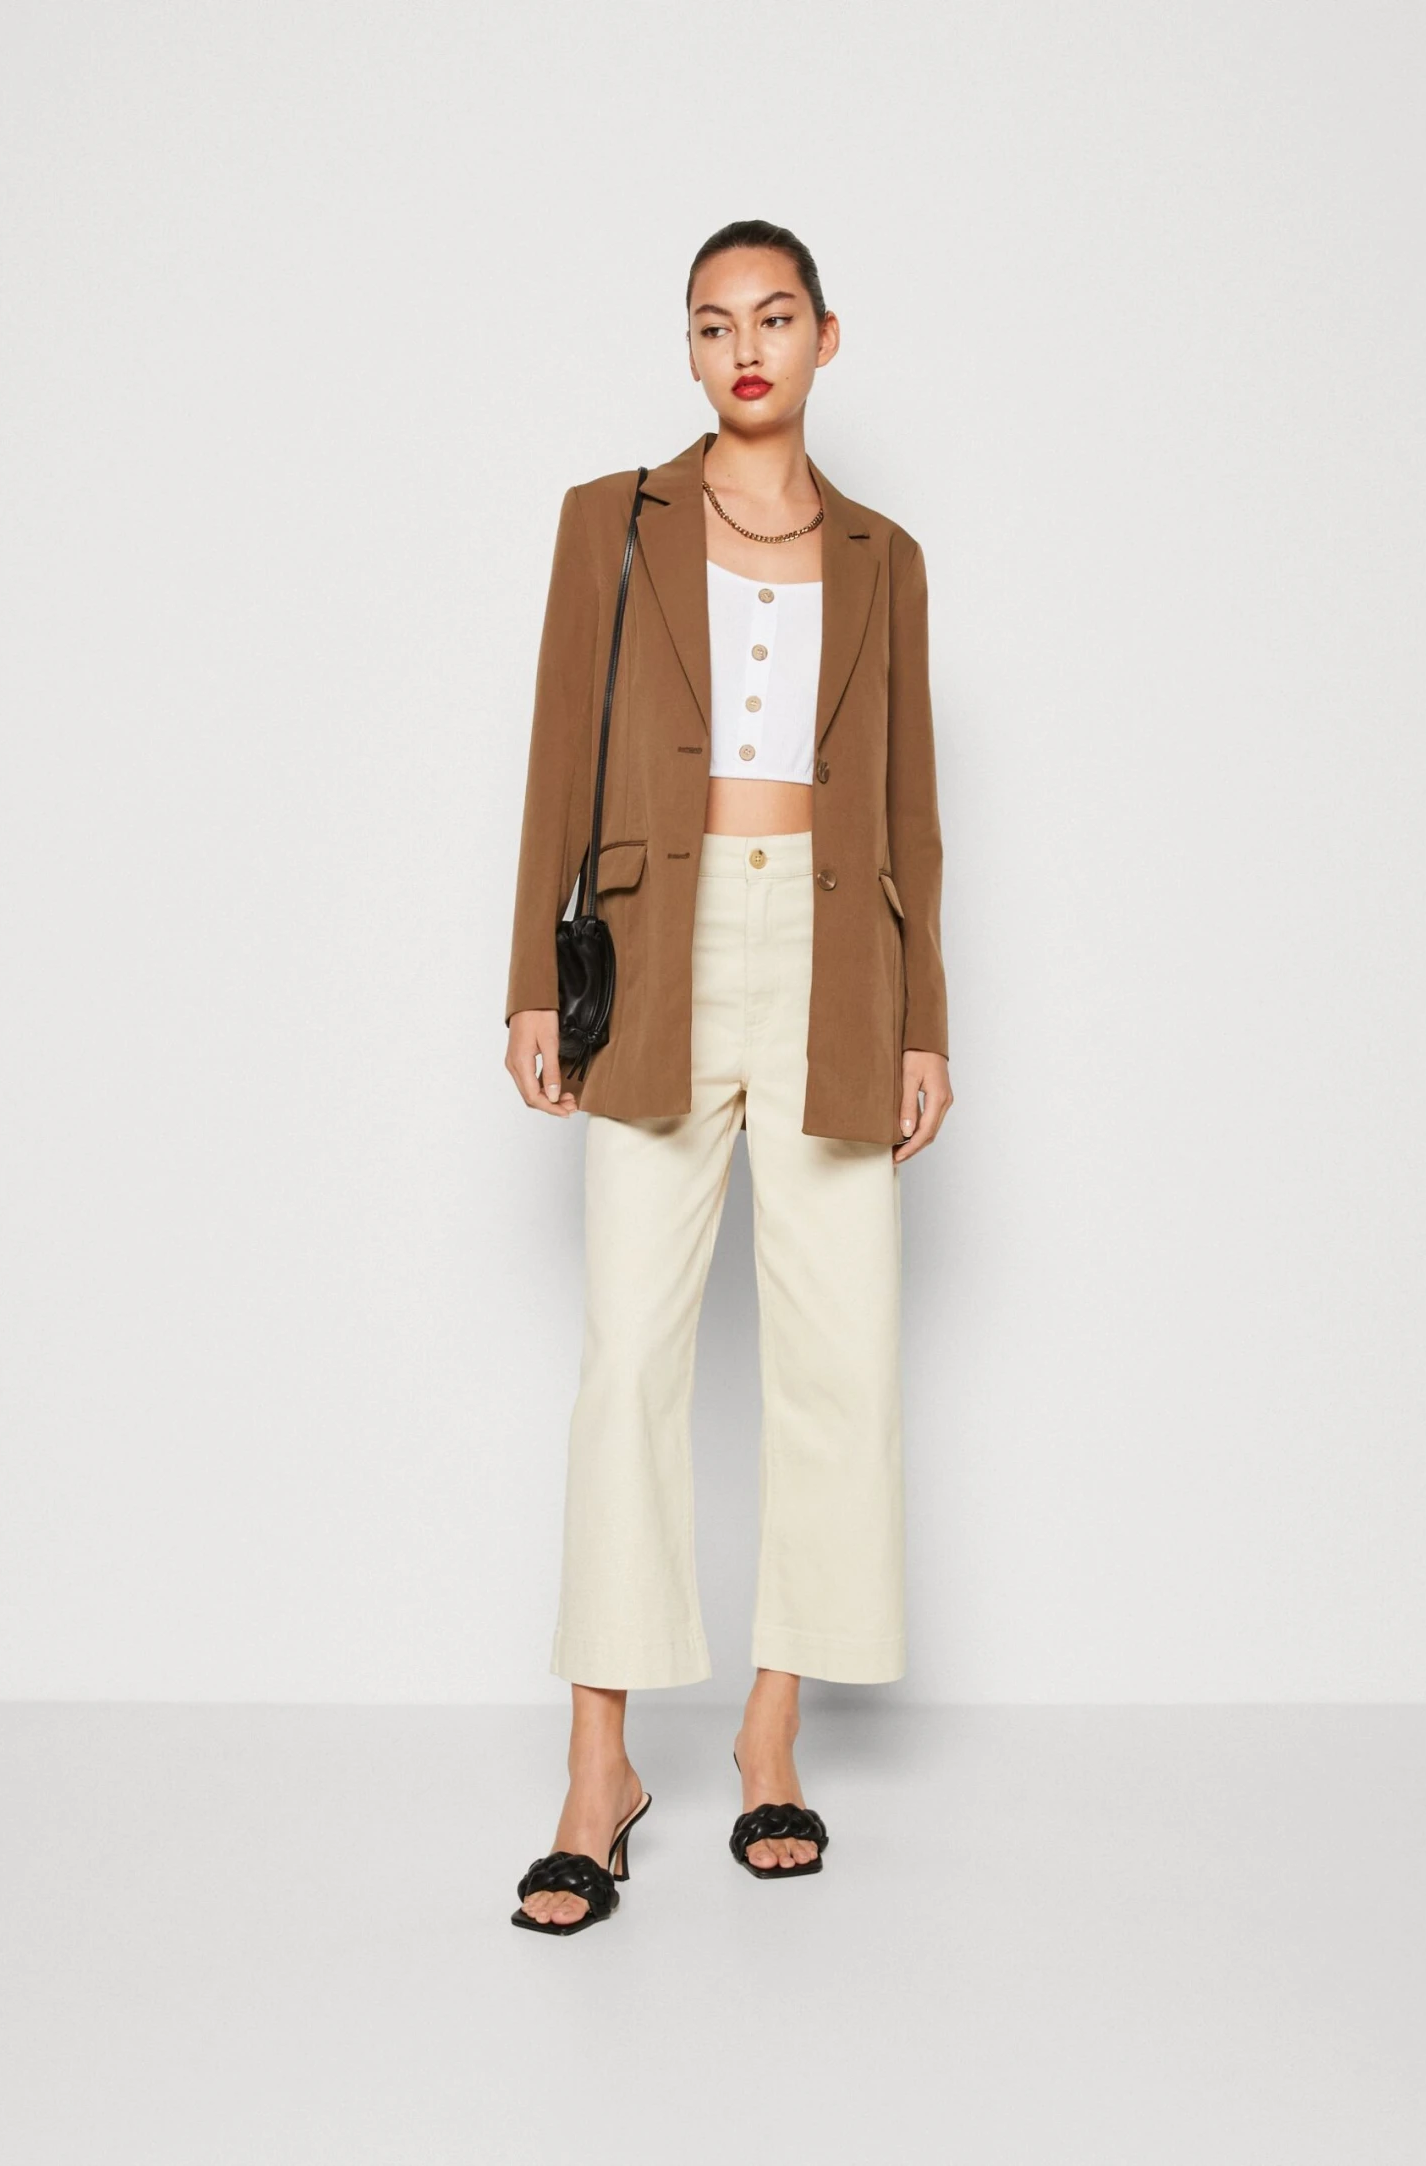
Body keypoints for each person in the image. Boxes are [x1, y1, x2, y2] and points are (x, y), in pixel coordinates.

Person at [504, 220, 952, 1934]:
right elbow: (557, 755)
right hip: (658, 954)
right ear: (688, 349)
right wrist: (534, 981)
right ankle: (596, 1768)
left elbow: (911, 808)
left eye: (773, 317)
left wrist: (923, 1021)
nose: (743, 347)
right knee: (630, 1354)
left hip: (837, 965)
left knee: (838, 1356)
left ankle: (773, 1734)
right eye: (712, 323)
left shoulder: (886, 556)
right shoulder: (610, 523)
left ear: (829, 337)